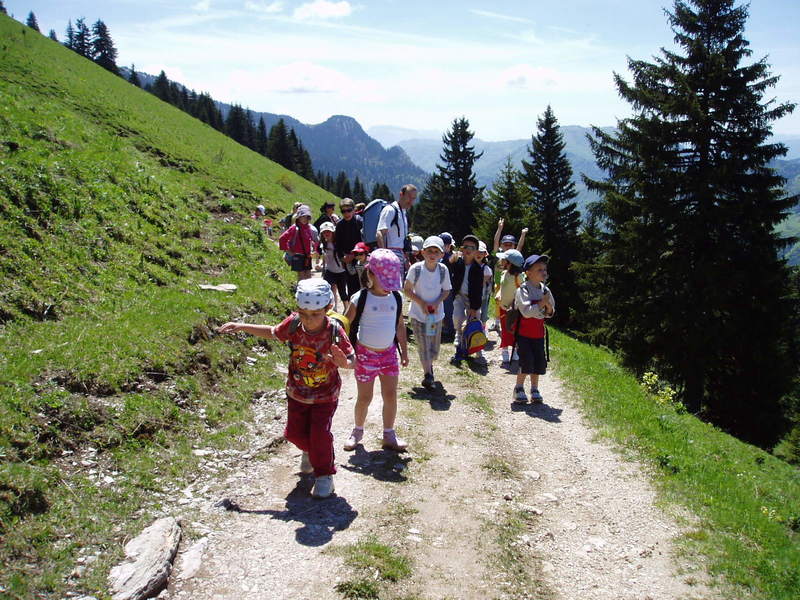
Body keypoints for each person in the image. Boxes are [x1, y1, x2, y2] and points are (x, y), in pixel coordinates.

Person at [216, 279, 355, 498]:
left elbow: (351, 360)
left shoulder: (334, 331)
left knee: (320, 434)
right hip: (296, 392)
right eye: (304, 313)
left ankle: (324, 475)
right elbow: (272, 332)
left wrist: (343, 363)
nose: (309, 320)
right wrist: (242, 326)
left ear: (327, 309)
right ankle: (309, 451)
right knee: (294, 434)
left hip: (325, 395)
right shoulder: (293, 324)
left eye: (315, 314)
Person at [343, 249, 410, 452]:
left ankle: (389, 434)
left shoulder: (396, 298)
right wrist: (346, 352)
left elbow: (399, 326)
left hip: (389, 354)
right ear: (370, 275)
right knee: (365, 398)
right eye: (385, 280)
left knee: (390, 395)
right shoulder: (360, 298)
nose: (389, 286)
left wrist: (404, 352)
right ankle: (357, 430)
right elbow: (345, 324)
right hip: (365, 355)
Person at [404, 236, 451, 389]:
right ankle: (428, 375)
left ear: (441, 255)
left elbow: (446, 290)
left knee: (433, 346)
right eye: (429, 251)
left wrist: (436, 303)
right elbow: (407, 290)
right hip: (418, 315)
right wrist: (422, 303)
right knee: (423, 345)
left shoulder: (443, 270)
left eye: (436, 251)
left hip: (433, 316)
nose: (432, 254)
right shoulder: (416, 269)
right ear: (423, 252)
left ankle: (429, 366)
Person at [512, 254, 555, 404]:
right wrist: (542, 304)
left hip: (538, 333)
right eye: (539, 270)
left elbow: (550, 313)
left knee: (538, 362)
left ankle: (534, 389)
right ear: (528, 273)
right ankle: (518, 387)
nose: (543, 272)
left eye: (544, 269)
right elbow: (526, 311)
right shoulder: (523, 290)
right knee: (526, 361)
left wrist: (548, 307)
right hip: (524, 333)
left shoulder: (545, 290)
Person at [448, 234, 484, 352]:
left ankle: (477, 346)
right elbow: (446, 266)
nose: (468, 250)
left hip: (472, 298)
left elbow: (479, 290)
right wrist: (452, 259)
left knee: (475, 319)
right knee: (457, 316)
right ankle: (458, 334)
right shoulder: (457, 262)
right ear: (462, 249)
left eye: (472, 247)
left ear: (476, 251)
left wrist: (474, 307)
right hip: (459, 295)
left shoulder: (478, 269)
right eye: (466, 247)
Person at [494, 249, 525, 364]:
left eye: (504, 259)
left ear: (510, 263)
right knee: (505, 329)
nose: (501, 261)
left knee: (515, 330)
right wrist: (498, 294)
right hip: (503, 307)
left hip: (515, 310)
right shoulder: (504, 273)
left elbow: (523, 292)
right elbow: (501, 288)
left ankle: (515, 351)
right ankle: (505, 352)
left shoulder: (519, 277)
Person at [376, 184, 416, 268]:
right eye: (409, 197)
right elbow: (380, 233)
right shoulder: (390, 210)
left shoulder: (403, 213)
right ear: (401, 194)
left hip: (401, 255)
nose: (411, 201)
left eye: (413, 198)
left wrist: (406, 259)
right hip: (391, 254)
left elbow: (403, 240)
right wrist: (384, 257)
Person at [335, 198, 364, 302]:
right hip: (348, 262)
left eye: (349, 210)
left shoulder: (360, 221)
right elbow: (337, 244)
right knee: (351, 288)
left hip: (361, 259)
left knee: (364, 286)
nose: (346, 213)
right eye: (343, 211)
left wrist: (354, 254)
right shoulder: (340, 225)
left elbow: (365, 242)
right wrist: (342, 258)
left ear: (354, 210)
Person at [278, 204, 317, 282]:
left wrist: (313, 250)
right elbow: (282, 239)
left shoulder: (309, 228)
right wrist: (288, 251)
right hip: (297, 256)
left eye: (307, 217)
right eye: (303, 216)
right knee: (301, 276)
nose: (305, 219)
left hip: (307, 256)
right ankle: (301, 292)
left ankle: (308, 293)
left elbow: (312, 241)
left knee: (308, 276)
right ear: (298, 217)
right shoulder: (294, 228)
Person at [317, 222, 348, 310]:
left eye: (329, 231)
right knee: (328, 290)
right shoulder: (323, 244)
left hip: (341, 271)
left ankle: (346, 309)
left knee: (342, 292)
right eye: (324, 232)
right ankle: (333, 308)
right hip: (330, 271)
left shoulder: (339, 243)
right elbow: (324, 257)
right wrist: (322, 265)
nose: (326, 234)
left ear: (333, 232)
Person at [439, 232, 456, 341]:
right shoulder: (440, 256)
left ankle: (450, 330)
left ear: (449, 246)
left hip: (448, 287)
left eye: (445, 245)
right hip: (439, 286)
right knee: (441, 308)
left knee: (448, 309)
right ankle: (444, 328)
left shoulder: (450, 257)